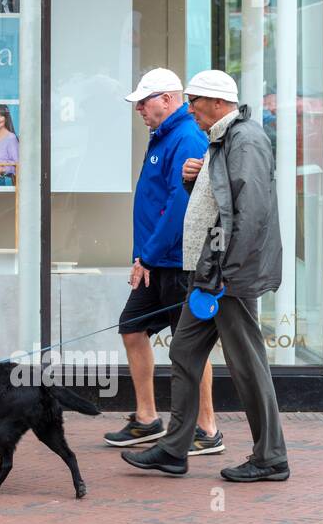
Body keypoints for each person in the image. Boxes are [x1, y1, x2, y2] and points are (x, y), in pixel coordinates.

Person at [123, 70, 289, 482]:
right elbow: (224, 199)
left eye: (194, 101)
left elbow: (251, 215)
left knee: (247, 364)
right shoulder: (223, 138)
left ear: (217, 103)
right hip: (209, 272)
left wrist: (225, 274)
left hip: (227, 278)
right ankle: (174, 449)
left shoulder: (245, 139)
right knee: (183, 351)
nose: (190, 109)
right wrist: (193, 178)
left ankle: (270, 457)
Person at [103, 68, 223, 456]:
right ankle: (147, 418)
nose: (139, 108)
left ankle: (207, 429)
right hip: (155, 261)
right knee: (132, 328)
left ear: (168, 100)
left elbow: (180, 205)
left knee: (189, 346)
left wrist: (148, 256)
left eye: (145, 100)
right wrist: (143, 256)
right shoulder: (163, 136)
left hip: (175, 262)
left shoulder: (185, 136)